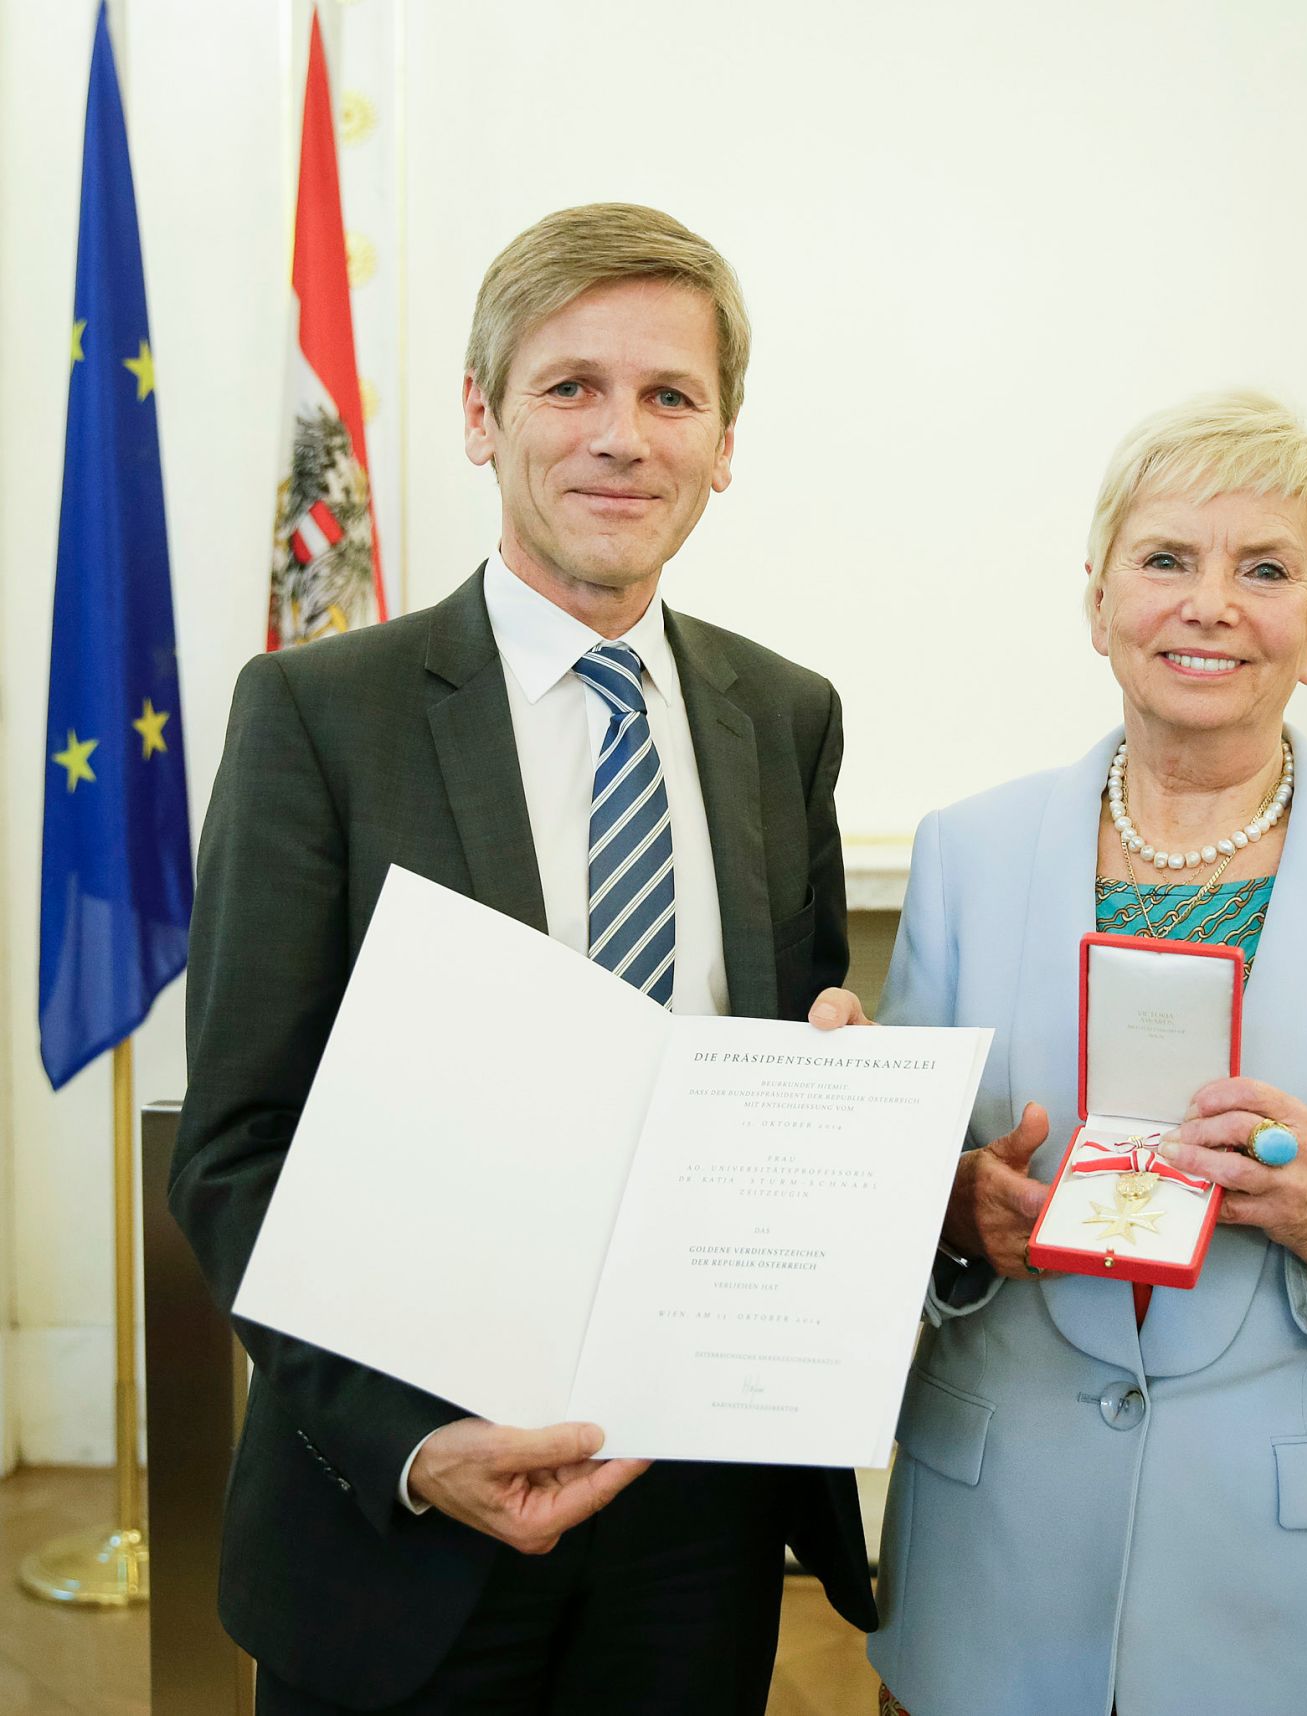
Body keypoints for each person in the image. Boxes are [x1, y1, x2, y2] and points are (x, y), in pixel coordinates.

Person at [170, 203, 876, 1714]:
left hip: (696, 1515)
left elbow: (781, 1066)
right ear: (482, 417)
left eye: (670, 395)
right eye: (571, 387)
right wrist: (412, 1446)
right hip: (400, 1517)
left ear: (724, 444)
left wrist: (830, 1099)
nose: (622, 436)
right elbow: (238, 1146)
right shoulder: (319, 717)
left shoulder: (786, 717)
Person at [812, 391, 1307, 1715]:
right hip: (998, 1589)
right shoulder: (968, 855)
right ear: (1098, 598)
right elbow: (911, 1208)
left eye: (1266, 570)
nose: (1210, 604)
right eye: (1167, 558)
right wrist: (943, 1205)